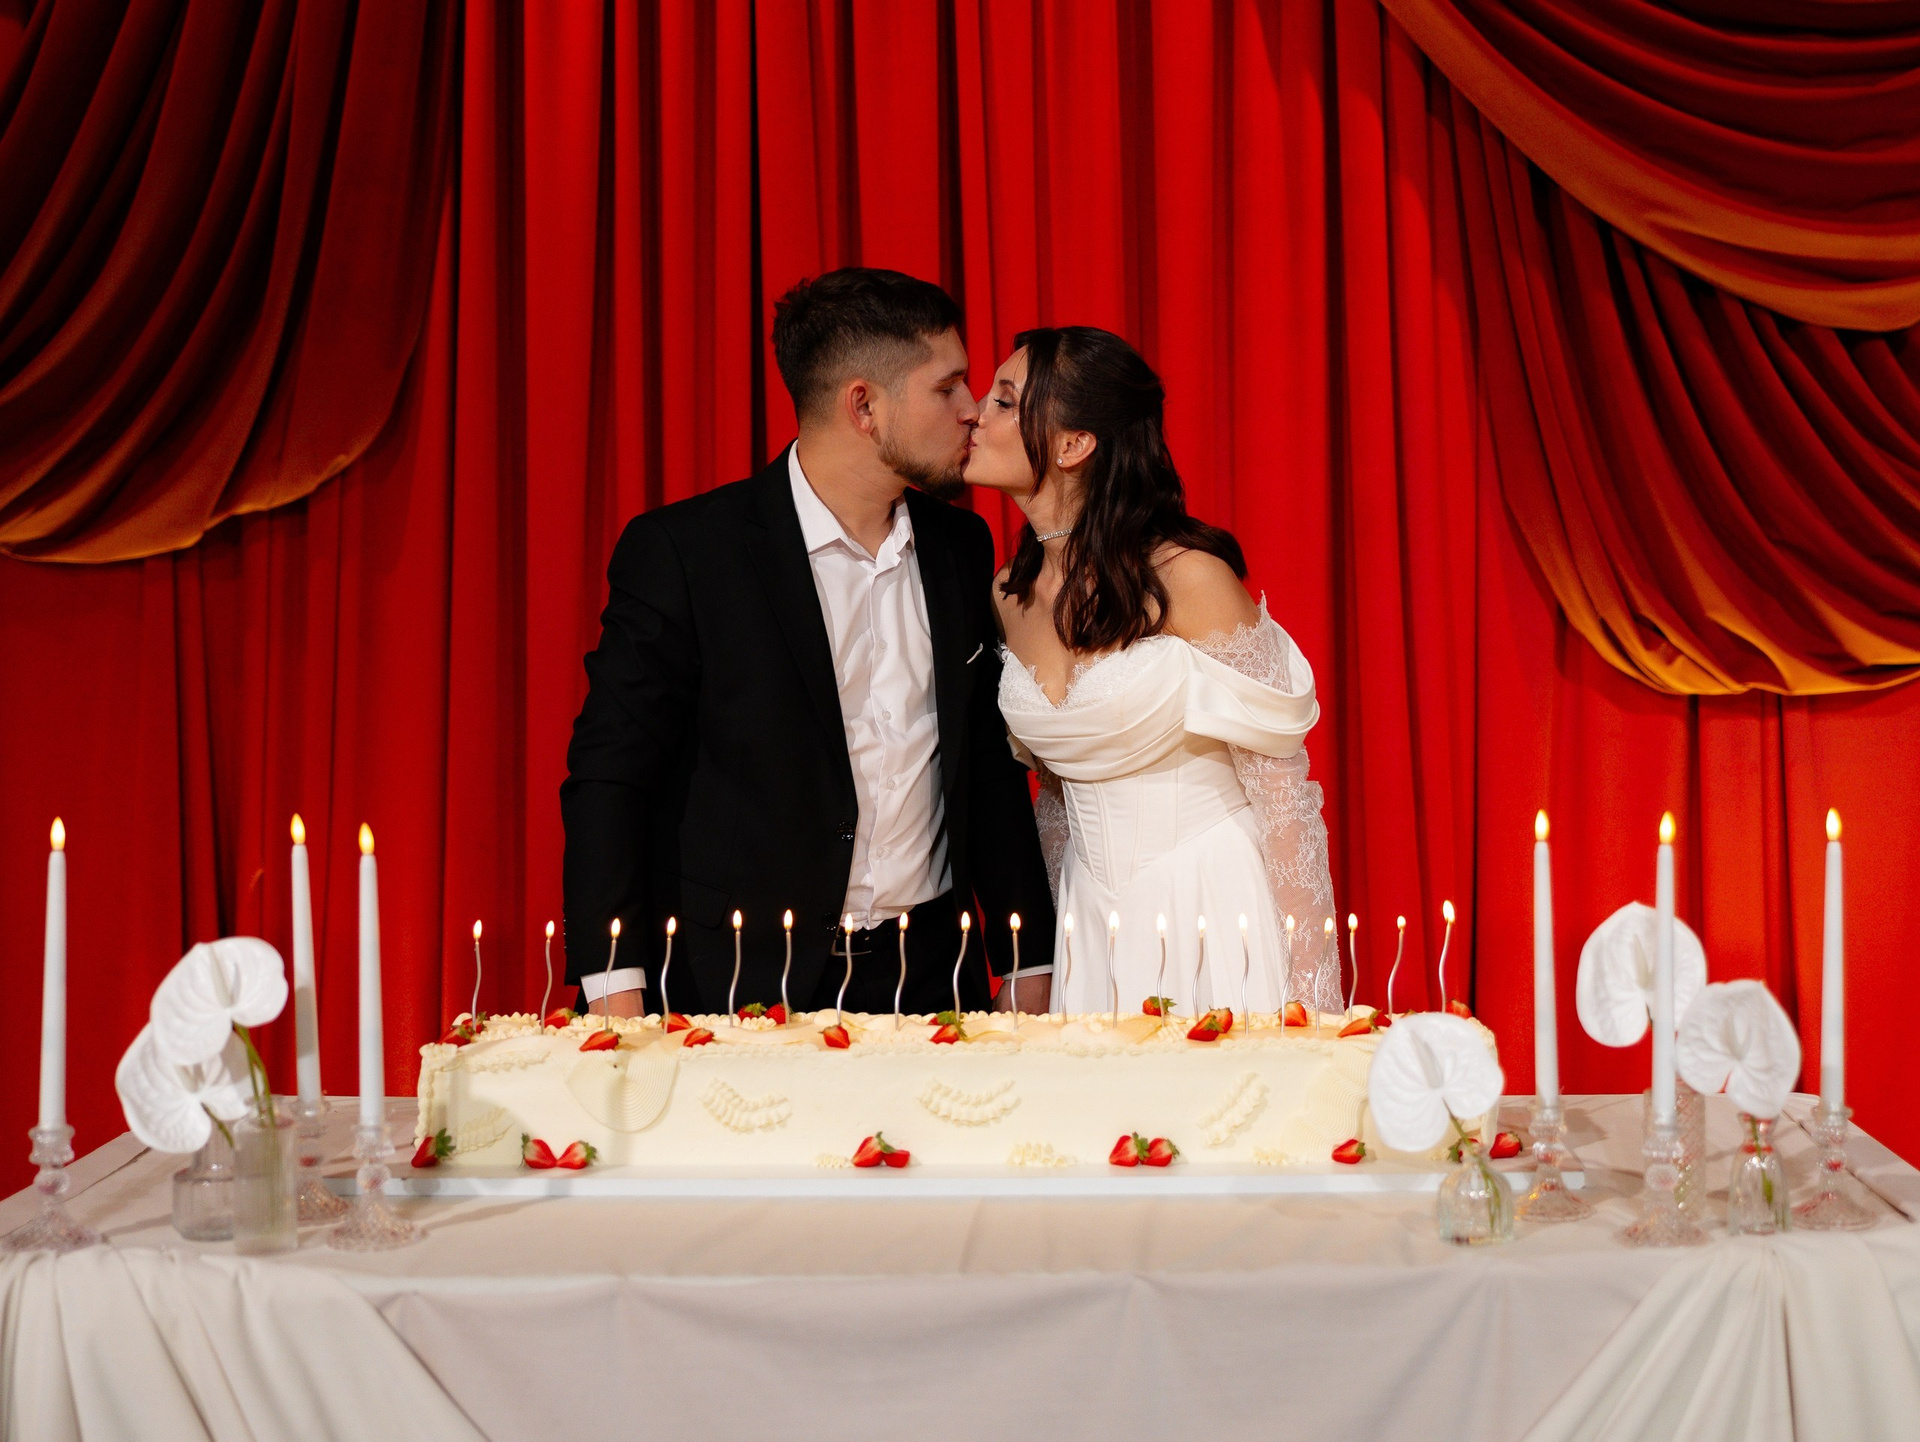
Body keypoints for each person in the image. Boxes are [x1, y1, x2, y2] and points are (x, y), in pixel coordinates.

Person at [561, 268, 1054, 1020]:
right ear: (864, 406)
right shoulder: (689, 553)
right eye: (947, 387)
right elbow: (611, 774)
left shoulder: (961, 546)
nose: (972, 410)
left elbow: (985, 766)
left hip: (933, 979)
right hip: (738, 984)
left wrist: (1027, 959)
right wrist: (612, 982)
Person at [964, 325, 1339, 1016]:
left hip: (1211, 906)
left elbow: (1283, 797)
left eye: (1005, 401)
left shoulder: (1188, 576)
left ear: (1074, 445)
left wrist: (1313, 1001)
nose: (974, 414)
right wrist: (1055, 943)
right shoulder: (1007, 595)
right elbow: (1054, 798)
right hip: (1089, 920)